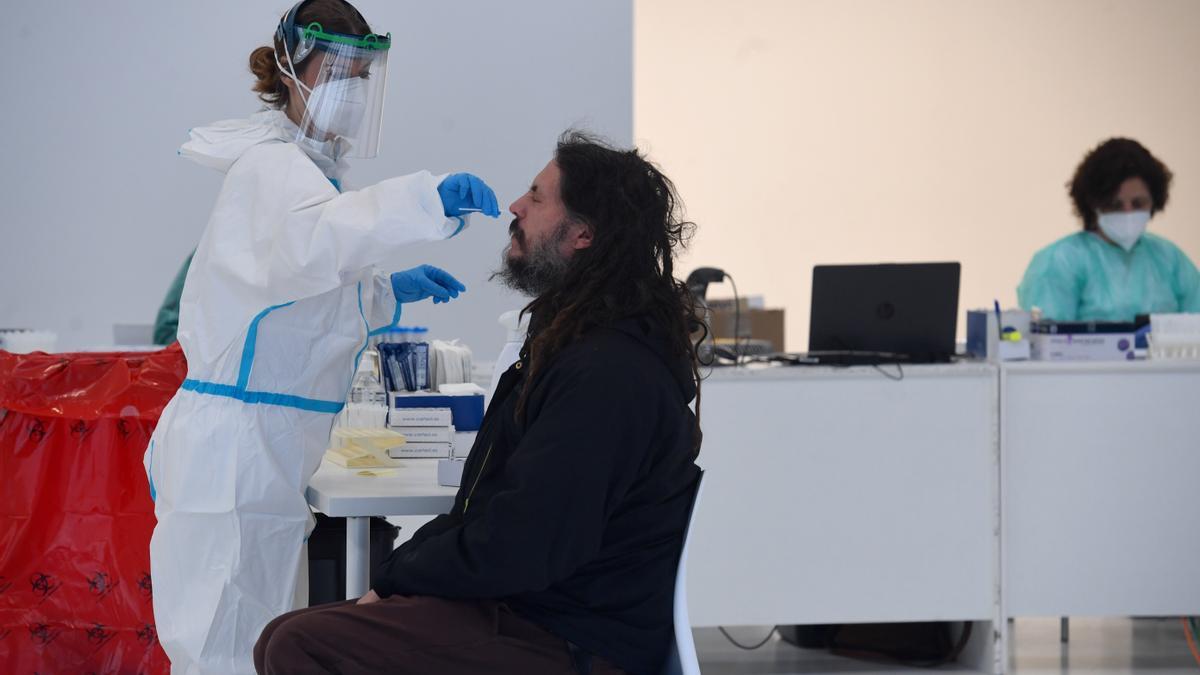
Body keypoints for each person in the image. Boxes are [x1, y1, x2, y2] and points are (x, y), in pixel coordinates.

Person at [254, 131, 704, 675]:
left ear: (583, 234)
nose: (515, 207)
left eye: (537, 198)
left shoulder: (607, 374)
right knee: (283, 634)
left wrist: (397, 577)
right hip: (533, 610)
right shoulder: (572, 346)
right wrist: (395, 576)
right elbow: (483, 505)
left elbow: (522, 544)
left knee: (298, 644)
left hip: (571, 639)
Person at [143, 1, 501, 672]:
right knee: (222, 651)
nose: (351, 89)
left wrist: (388, 292)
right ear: (291, 68)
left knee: (249, 644)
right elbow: (320, 242)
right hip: (233, 459)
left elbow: (300, 297)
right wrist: (425, 201)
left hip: (260, 455)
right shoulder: (271, 171)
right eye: (337, 70)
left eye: (363, 74)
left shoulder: (303, 174)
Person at [1017, 137, 1200, 321]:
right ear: (1092, 205)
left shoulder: (1169, 260)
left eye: (1138, 203)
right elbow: (1048, 341)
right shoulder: (1061, 262)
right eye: (1115, 205)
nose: (1128, 212)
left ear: (1154, 202)